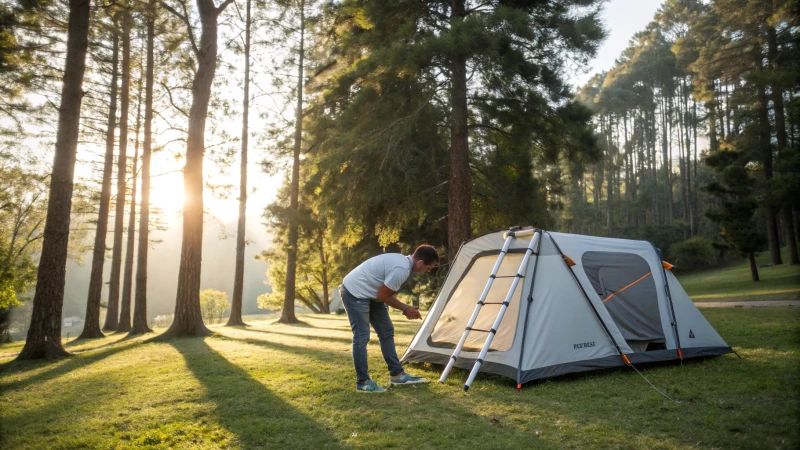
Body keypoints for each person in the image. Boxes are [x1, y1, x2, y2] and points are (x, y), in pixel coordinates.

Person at [341, 244, 439, 392]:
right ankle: (363, 382)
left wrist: (405, 308)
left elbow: (382, 294)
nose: (427, 271)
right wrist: (406, 308)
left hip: (372, 294)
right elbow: (383, 295)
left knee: (386, 331)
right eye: (429, 268)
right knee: (362, 336)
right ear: (420, 262)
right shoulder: (401, 269)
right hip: (355, 291)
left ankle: (397, 375)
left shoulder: (403, 264)